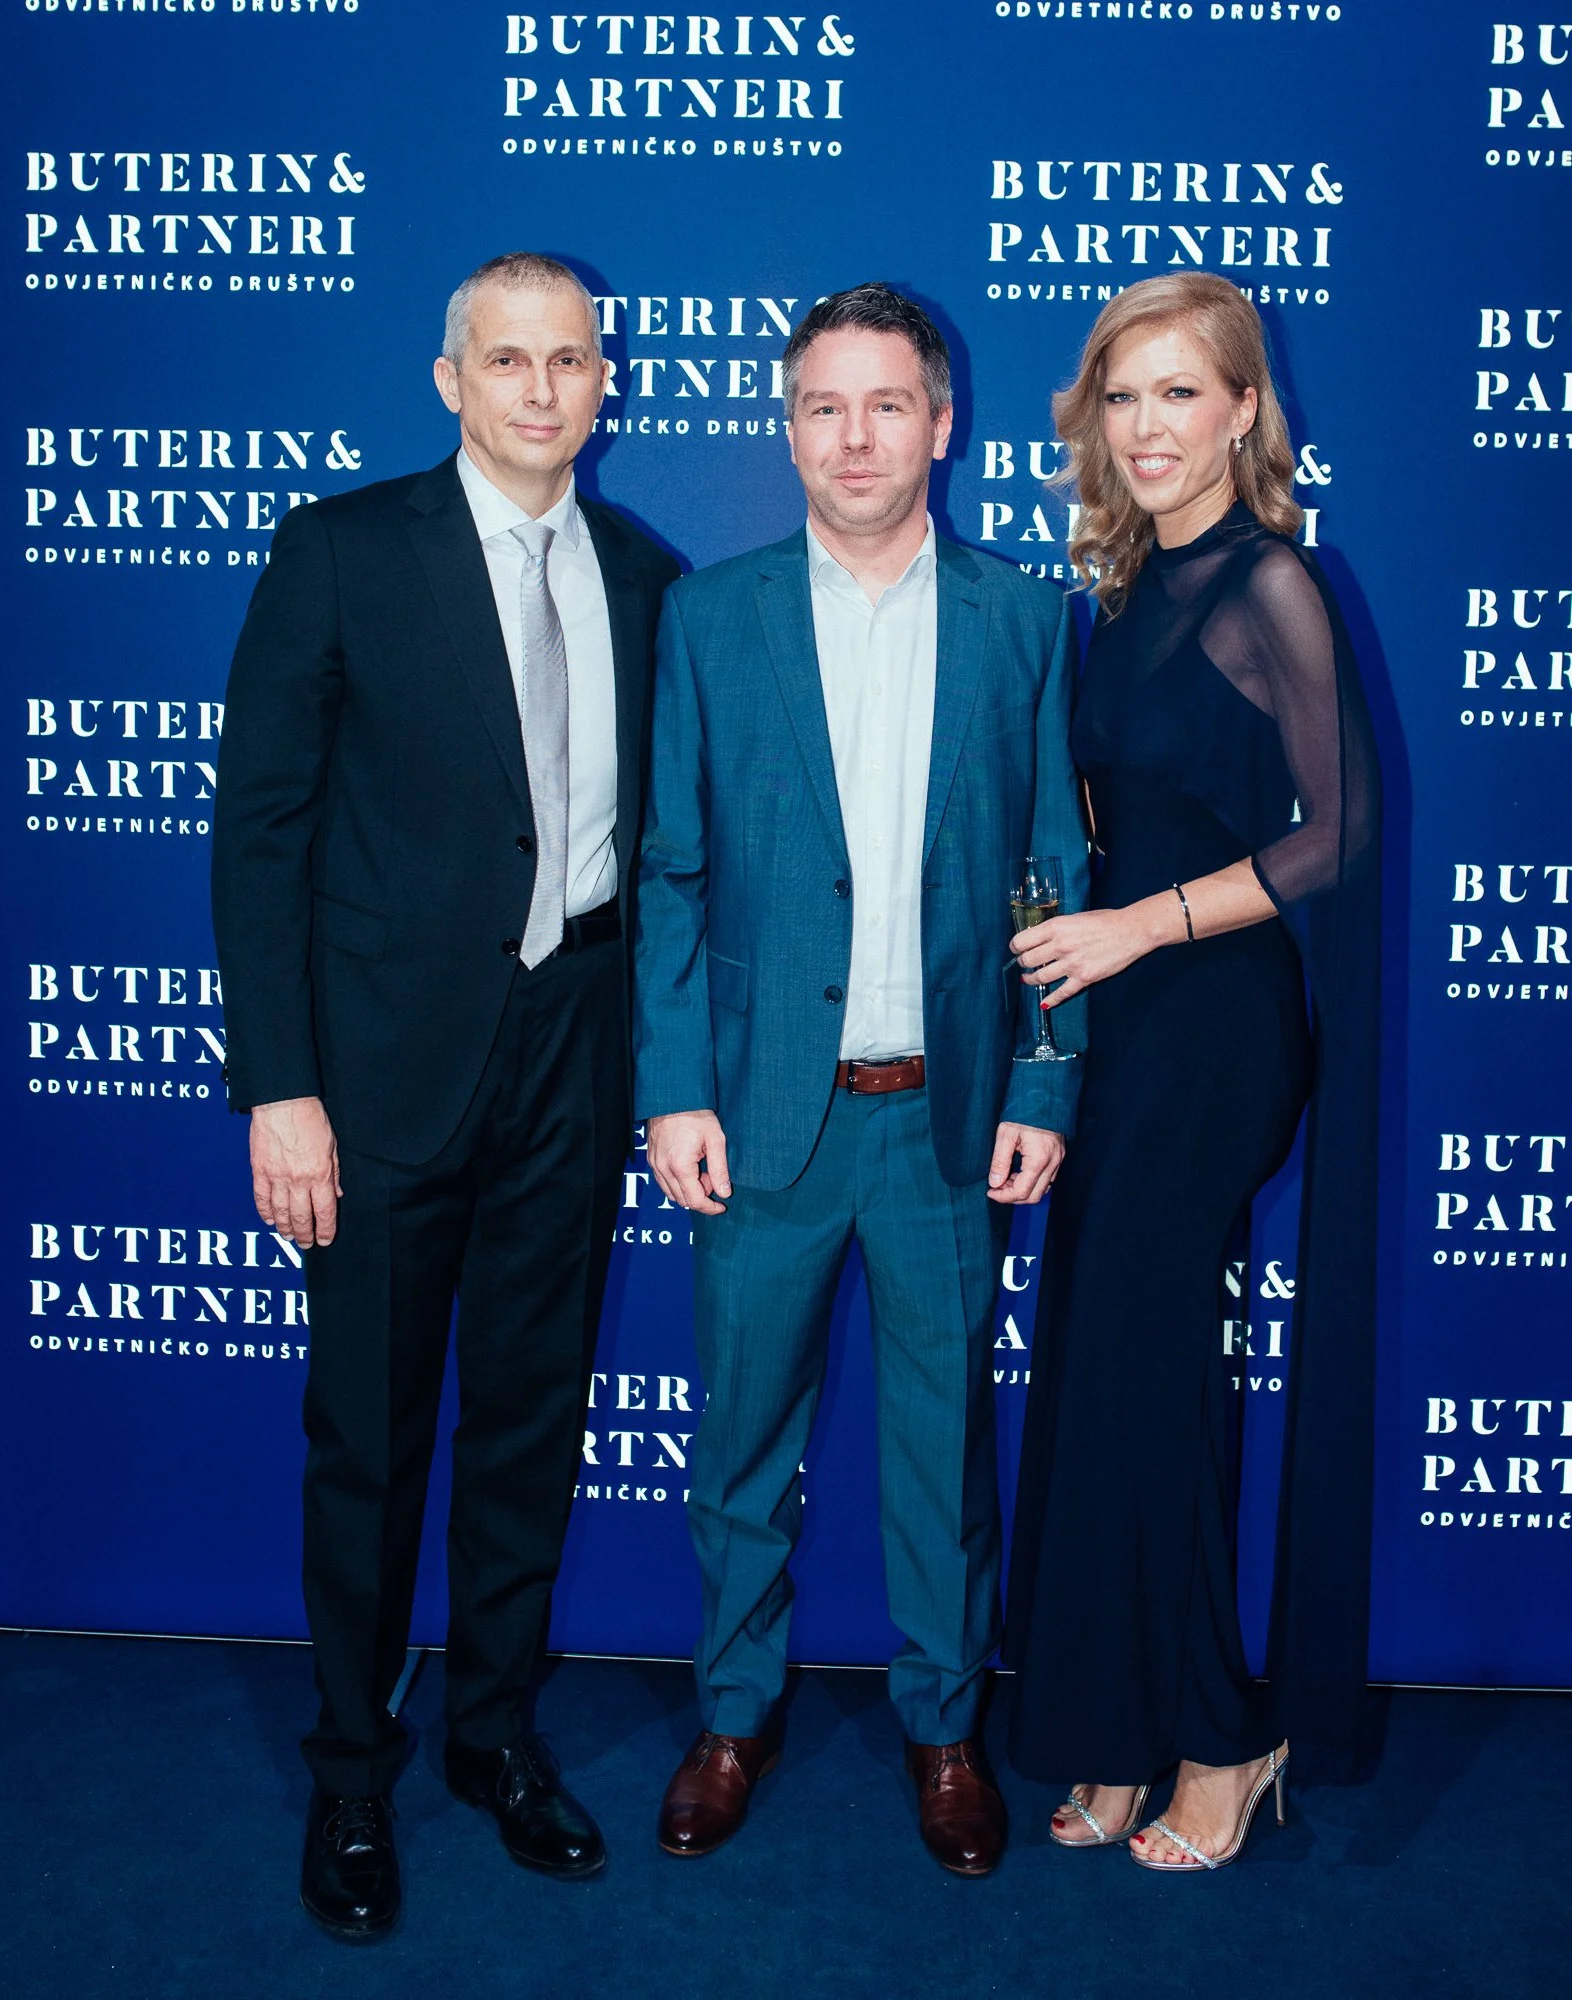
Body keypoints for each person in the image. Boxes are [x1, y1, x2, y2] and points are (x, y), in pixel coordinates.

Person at [211, 252, 679, 1938]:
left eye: (570, 360)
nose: (541, 390)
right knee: (370, 1437)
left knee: (530, 1423)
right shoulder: (341, 549)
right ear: (450, 380)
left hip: (572, 1054)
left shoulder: (647, 576)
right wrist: (281, 1091)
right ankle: (353, 1768)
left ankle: (493, 1734)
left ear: (605, 381)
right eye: (507, 360)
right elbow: (259, 834)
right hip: (379, 1076)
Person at [634, 283, 1088, 1877]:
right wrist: (673, 1086)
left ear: (940, 425)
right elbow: (672, 870)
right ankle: (731, 1714)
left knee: (941, 1455)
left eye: (886, 405)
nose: (854, 438)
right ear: (788, 428)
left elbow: (1052, 873)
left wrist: (1043, 1085)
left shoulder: (1023, 621)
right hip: (764, 1116)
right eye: (823, 407)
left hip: (945, 1123)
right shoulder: (712, 616)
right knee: (740, 1445)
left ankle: (945, 1726)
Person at [1003, 273, 1382, 1871]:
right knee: (1106, 1375)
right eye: (1123, 395)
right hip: (1122, 1024)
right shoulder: (1124, 587)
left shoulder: (1273, 581)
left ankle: (1226, 1740)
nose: (1148, 426)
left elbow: (1338, 832)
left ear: (1242, 410)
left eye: (1180, 393)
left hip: (1214, 1025)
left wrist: (1136, 926)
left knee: (1152, 1381)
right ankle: (1117, 1724)